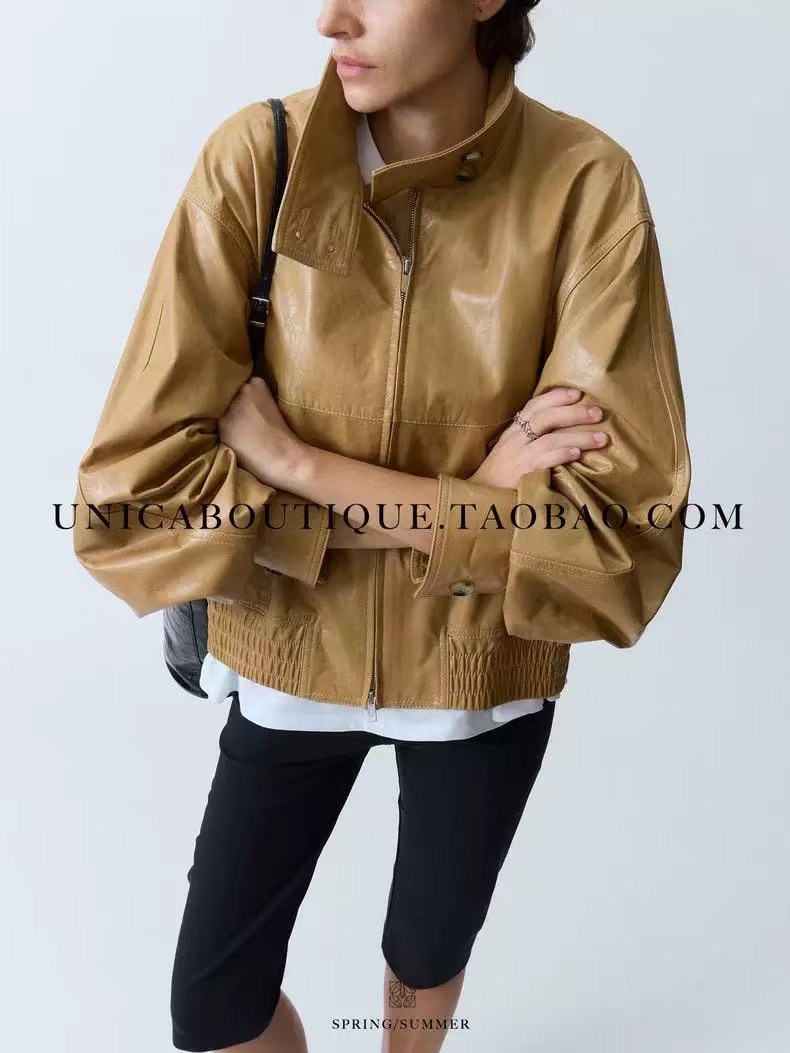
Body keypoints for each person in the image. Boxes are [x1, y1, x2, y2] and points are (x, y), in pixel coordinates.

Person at [72, 1, 691, 1050]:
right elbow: (135, 497)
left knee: (425, 948)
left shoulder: (584, 187)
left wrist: (297, 465)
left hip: (479, 669)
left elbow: (613, 540)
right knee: (213, 1005)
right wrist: (477, 499)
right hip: (287, 652)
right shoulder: (257, 163)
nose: (332, 18)